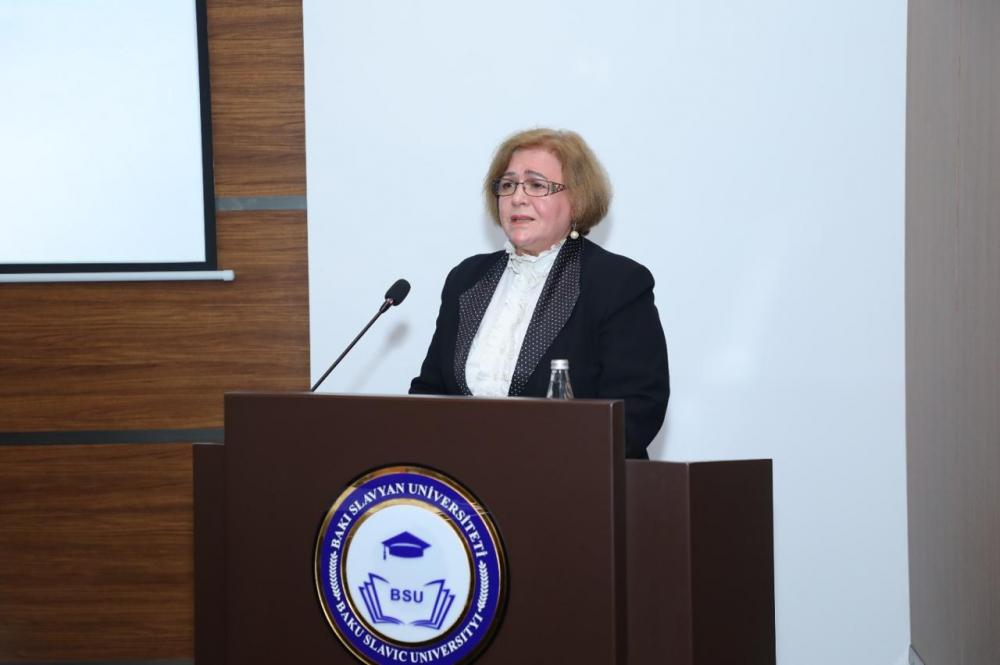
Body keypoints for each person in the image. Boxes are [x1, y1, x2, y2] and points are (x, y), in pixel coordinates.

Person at [409, 128, 669, 459]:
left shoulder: (616, 282)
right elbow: (430, 392)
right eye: (508, 185)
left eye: (536, 185)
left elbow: (637, 409)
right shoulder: (467, 278)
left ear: (577, 199)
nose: (517, 197)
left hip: (572, 481)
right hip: (463, 482)